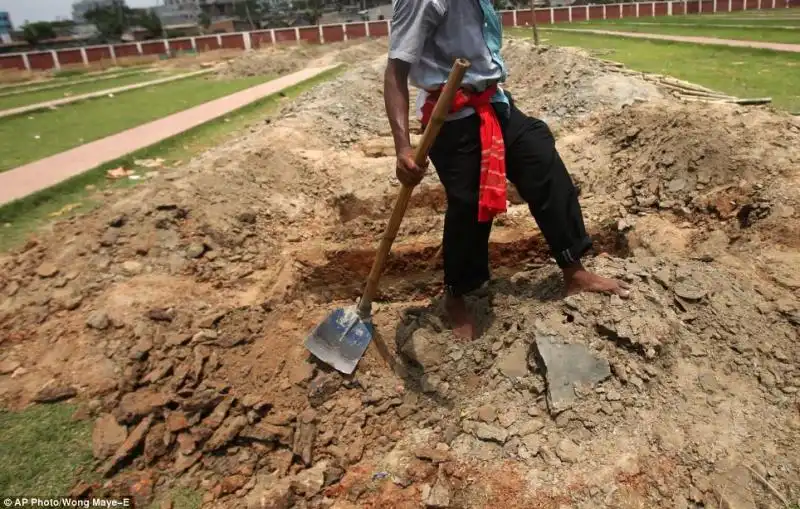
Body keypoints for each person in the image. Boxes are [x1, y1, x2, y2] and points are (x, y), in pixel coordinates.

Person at [383, 0, 630, 340]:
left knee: (541, 157)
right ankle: (457, 293)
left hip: (494, 103)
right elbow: (396, 69)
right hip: (452, 118)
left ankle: (574, 270)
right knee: (468, 204)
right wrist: (402, 147)